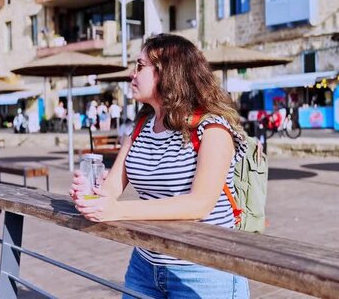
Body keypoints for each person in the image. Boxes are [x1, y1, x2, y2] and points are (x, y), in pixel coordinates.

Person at [69, 34, 249, 298]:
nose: (133, 74)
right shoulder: (142, 127)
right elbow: (110, 190)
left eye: (140, 66)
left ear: (168, 73)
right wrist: (90, 195)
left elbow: (199, 204)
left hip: (204, 269)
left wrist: (116, 210)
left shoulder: (212, 129)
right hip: (146, 265)